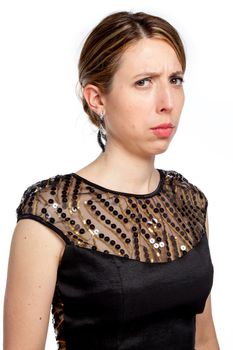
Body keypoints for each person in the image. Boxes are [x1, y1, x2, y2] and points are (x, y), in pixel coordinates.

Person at [3, 10, 220, 350]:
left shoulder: (189, 203)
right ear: (97, 98)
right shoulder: (51, 212)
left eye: (175, 80)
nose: (167, 103)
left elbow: (205, 341)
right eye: (143, 82)